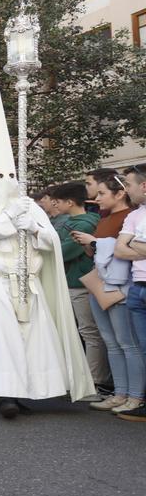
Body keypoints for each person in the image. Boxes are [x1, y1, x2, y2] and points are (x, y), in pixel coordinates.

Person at [0, 87, 93, 419]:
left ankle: (33, 390)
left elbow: (49, 240)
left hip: (27, 283)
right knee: (1, 339)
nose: (7, 180)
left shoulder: (29, 206)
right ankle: (6, 394)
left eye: (12, 175)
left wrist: (32, 226)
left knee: (34, 339)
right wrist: (6, 220)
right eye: (1, 175)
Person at [72, 174, 141, 413]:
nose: (96, 198)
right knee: (111, 343)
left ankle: (135, 396)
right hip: (101, 285)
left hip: (121, 286)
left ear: (119, 193)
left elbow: (126, 251)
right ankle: (119, 393)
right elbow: (100, 254)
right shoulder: (106, 219)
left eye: (102, 193)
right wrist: (90, 245)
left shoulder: (130, 217)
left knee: (126, 343)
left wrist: (95, 242)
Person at [51, 181, 107, 390]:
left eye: (58, 202)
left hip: (80, 282)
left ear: (70, 202)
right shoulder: (76, 222)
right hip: (73, 281)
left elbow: (62, 251)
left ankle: (95, 380)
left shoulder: (82, 224)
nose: (55, 205)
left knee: (89, 332)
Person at [112, 166, 146, 421]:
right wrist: (138, 245)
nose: (126, 190)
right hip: (137, 288)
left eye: (129, 184)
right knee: (143, 348)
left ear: (144, 186)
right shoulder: (136, 215)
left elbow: (128, 245)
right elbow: (119, 250)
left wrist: (133, 243)